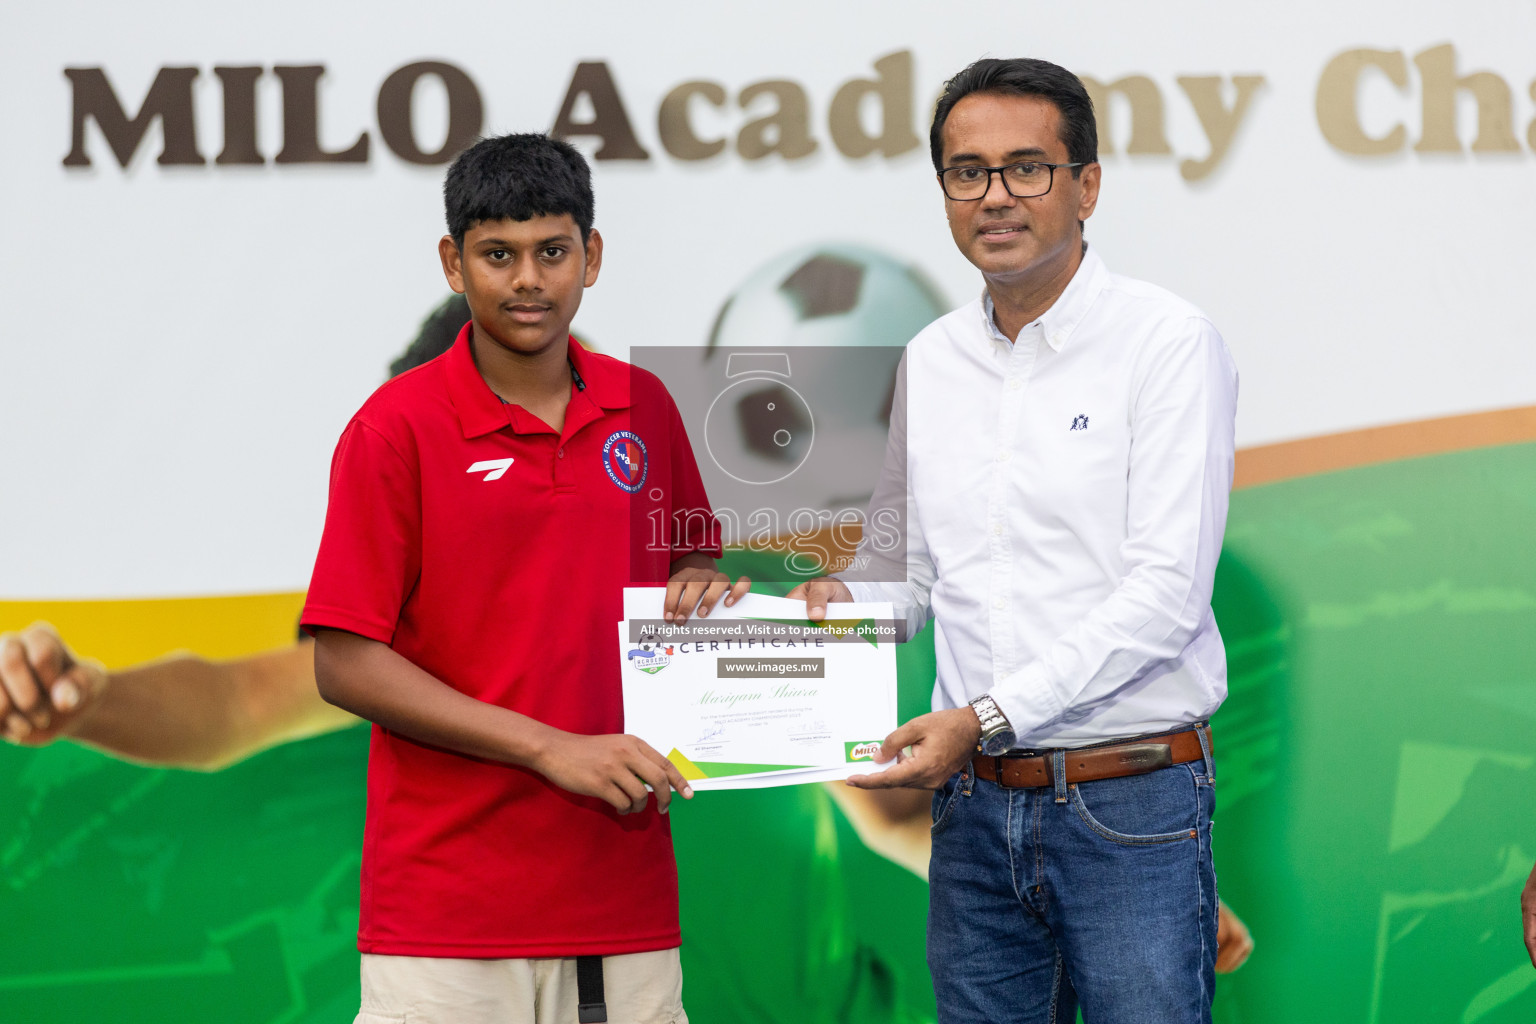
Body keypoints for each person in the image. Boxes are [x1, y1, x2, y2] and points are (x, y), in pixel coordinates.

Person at [792, 57, 1240, 1022]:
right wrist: (830, 616)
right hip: (971, 811)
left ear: (1087, 186)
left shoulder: (1166, 343)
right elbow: (907, 572)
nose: (994, 196)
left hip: (1130, 804)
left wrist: (983, 717)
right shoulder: (933, 358)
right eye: (967, 171)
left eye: (1026, 167)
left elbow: (1164, 597)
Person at [305, 132, 748, 1024]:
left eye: (552, 251)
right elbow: (344, 661)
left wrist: (703, 587)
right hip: (447, 911)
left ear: (591, 256)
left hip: (618, 896)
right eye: (497, 255)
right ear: (452, 264)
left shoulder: (645, 405)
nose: (528, 281)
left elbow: (692, 562)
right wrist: (551, 748)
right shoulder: (394, 429)